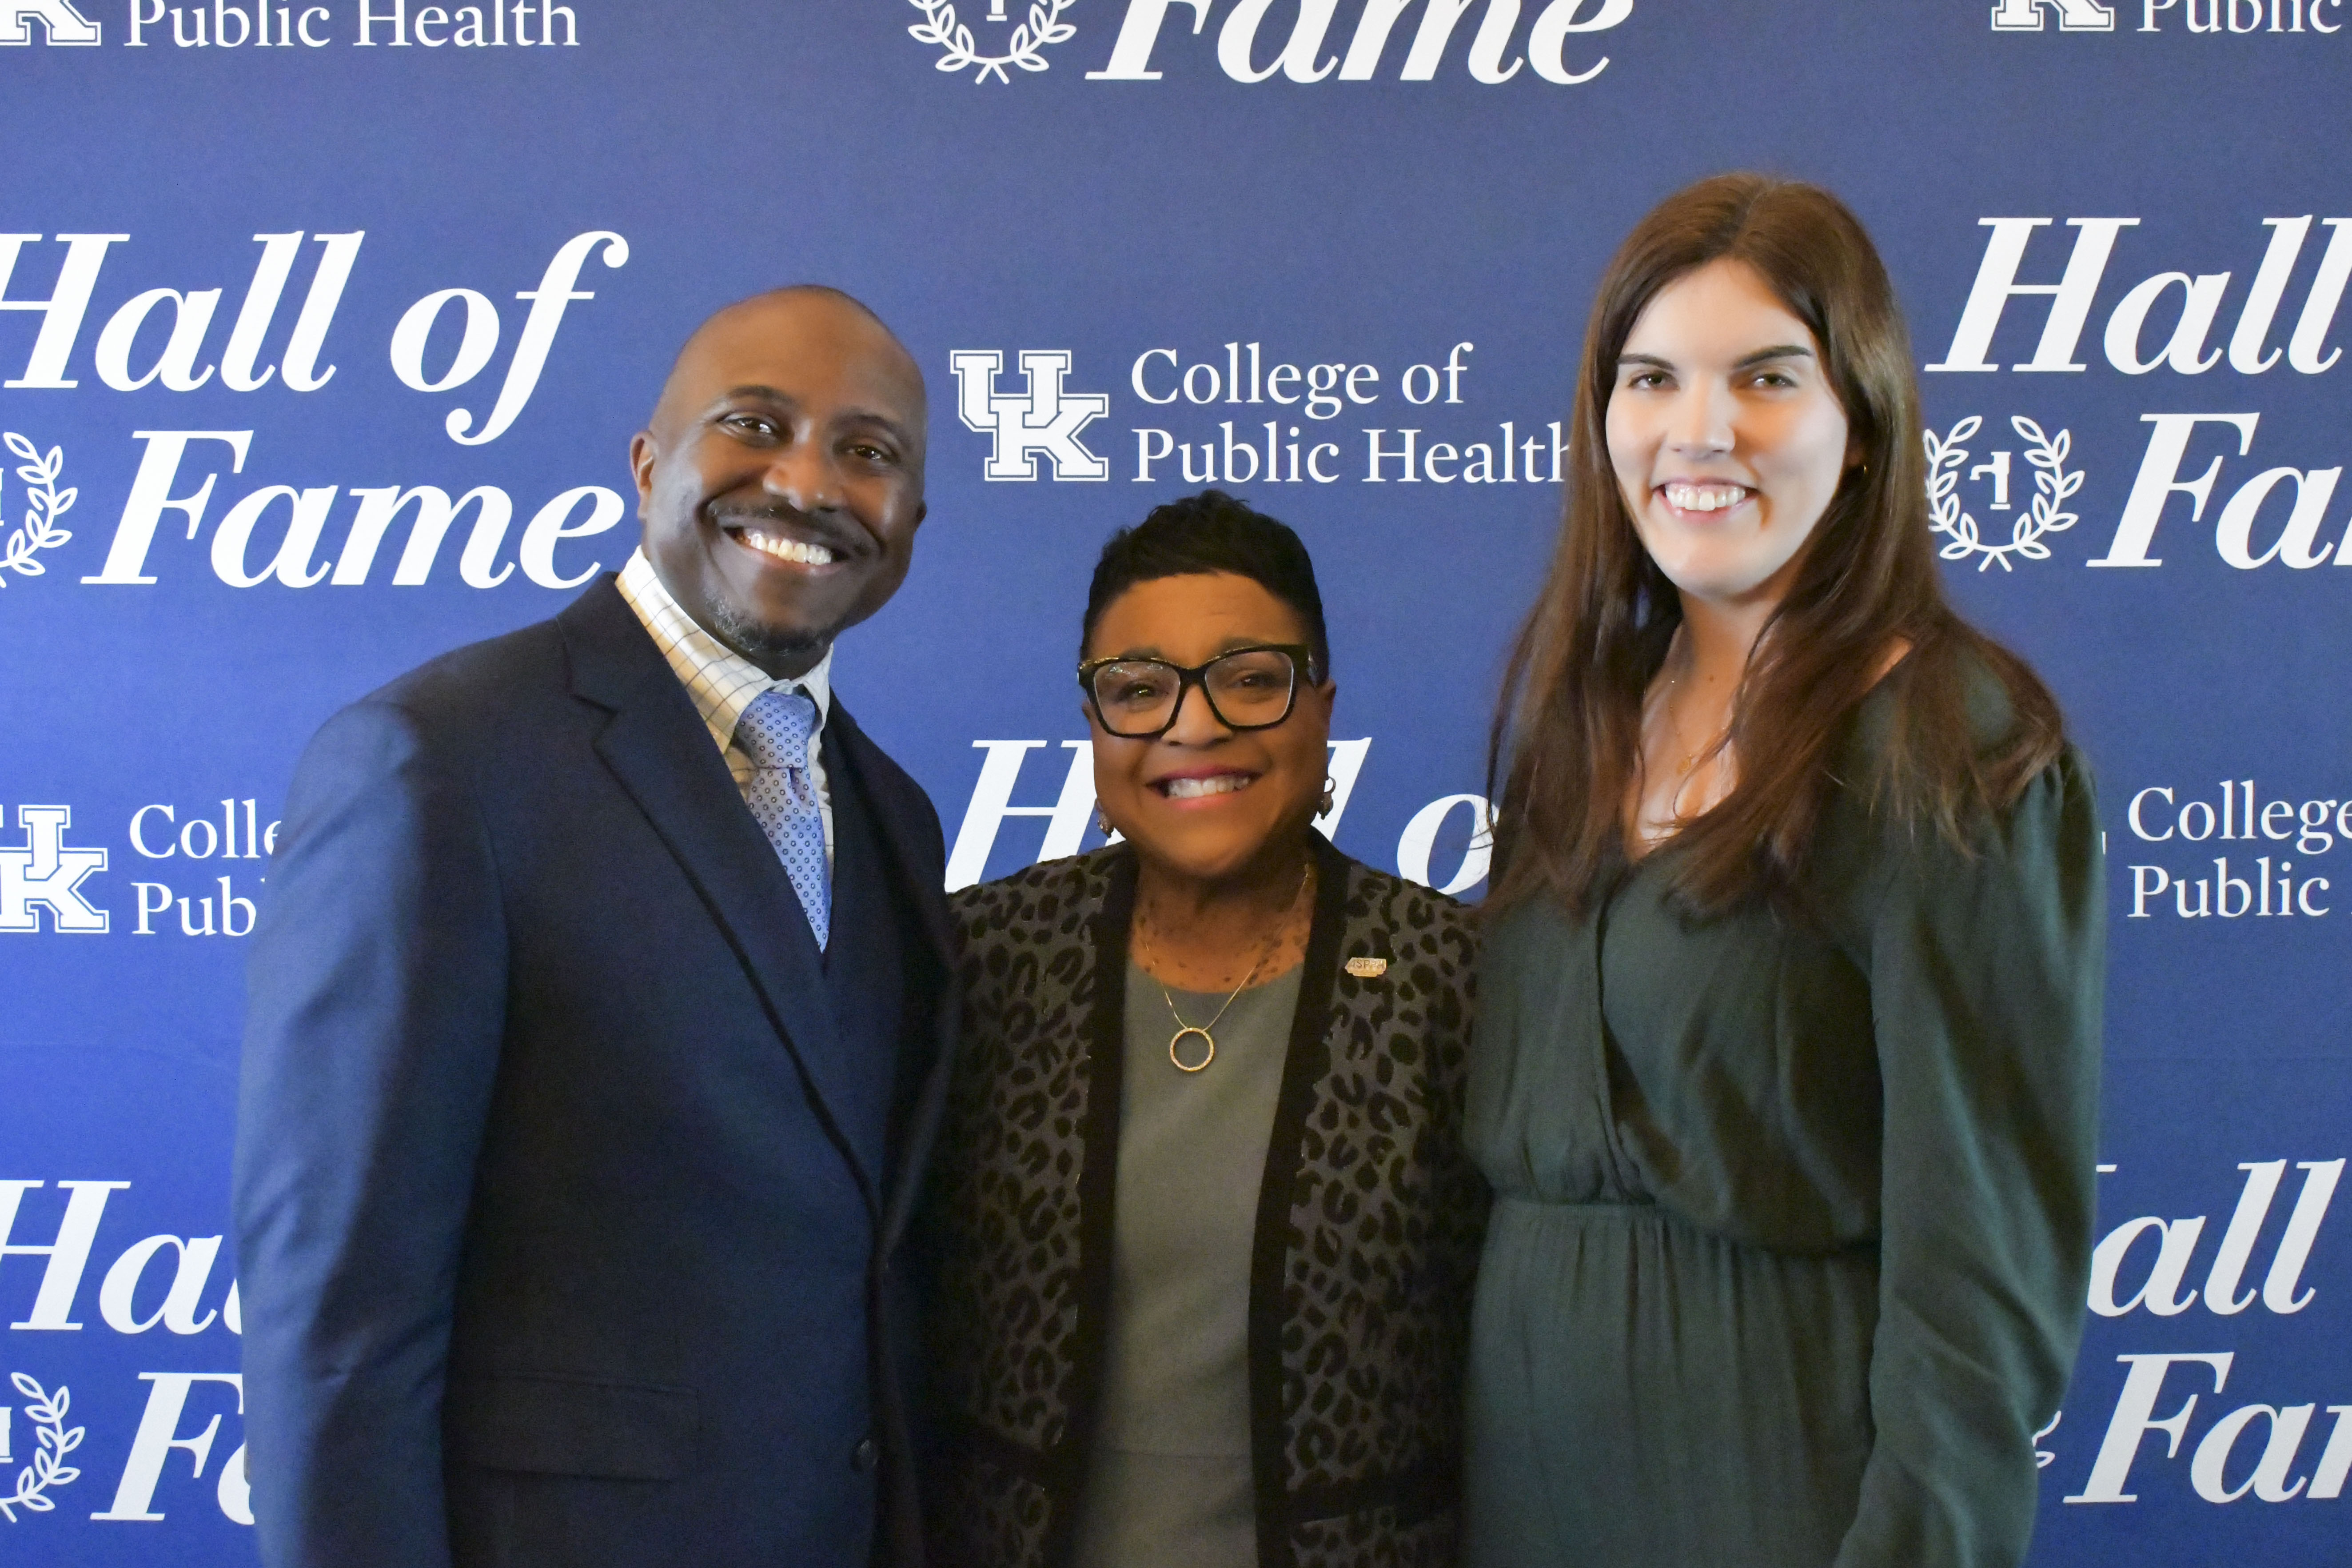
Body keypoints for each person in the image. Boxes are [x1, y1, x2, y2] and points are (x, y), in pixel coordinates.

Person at [234, 287, 956, 1568]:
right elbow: (340, 1319)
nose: (807, 482)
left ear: (909, 519)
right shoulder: (439, 766)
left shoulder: (892, 813)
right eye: (754, 424)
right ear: (646, 463)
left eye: (869, 452)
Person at [1464, 174, 2104, 1568]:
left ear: (1860, 426)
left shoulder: (1949, 745)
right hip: (1515, 1497)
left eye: (1763, 377)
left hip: (1780, 1495)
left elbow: (1976, 1295)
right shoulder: (1575, 723)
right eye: (1649, 379)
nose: (1697, 431)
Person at [925, 491, 1487, 1568]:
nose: (1194, 725)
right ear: (1094, 723)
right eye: (1137, 688)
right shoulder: (981, 964)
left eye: (1248, 679)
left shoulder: (1449, 979)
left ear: (1320, 708)